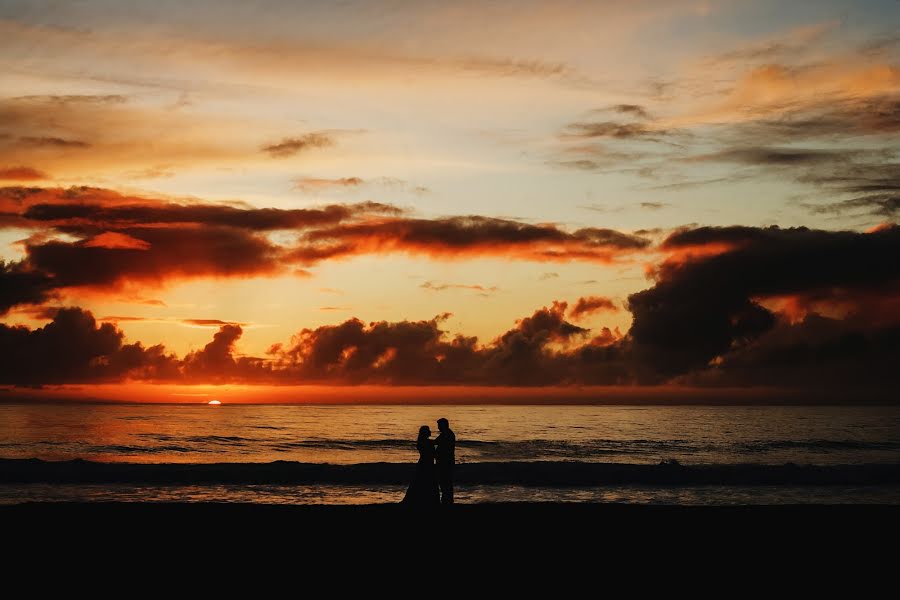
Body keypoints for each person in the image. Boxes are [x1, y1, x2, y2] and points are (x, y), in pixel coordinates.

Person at [401, 425, 440, 507]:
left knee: (419, 481)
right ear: (425, 432)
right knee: (429, 481)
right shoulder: (427, 442)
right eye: (428, 430)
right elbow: (434, 450)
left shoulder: (421, 441)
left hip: (423, 463)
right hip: (427, 463)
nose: (430, 432)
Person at [434, 417, 455, 504]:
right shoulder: (446, 434)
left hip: (445, 461)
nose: (438, 428)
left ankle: (447, 500)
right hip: (445, 461)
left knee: (445, 481)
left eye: (439, 425)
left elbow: (439, 444)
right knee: (445, 481)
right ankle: (447, 499)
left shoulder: (447, 434)